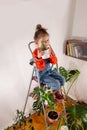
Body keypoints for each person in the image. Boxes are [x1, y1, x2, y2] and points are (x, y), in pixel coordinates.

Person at [31, 24, 65, 100]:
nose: (46, 43)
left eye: (47, 40)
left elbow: (54, 62)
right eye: (43, 42)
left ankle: (57, 91)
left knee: (62, 79)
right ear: (37, 43)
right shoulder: (36, 53)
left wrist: (51, 55)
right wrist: (39, 58)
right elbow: (40, 67)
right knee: (56, 83)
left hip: (49, 71)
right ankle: (54, 95)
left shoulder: (49, 49)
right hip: (41, 75)